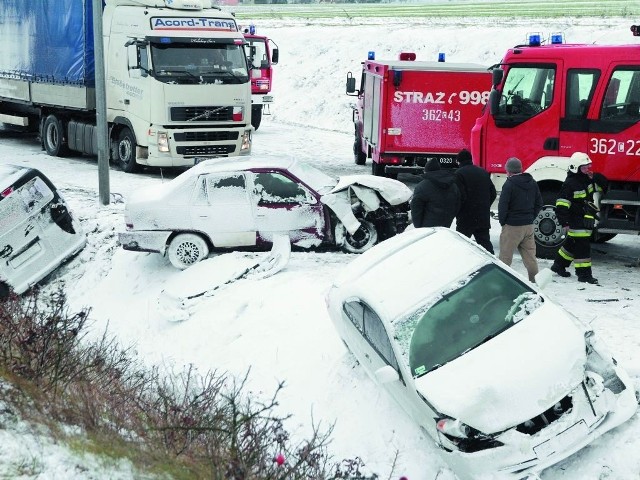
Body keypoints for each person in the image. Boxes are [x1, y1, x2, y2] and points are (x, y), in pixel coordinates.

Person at [550, 152, 603, 284]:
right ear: (576, 168)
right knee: (583, 247)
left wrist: (595, 177)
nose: (587, 170)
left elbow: (601, 186)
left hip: (584, 217)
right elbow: (561, 205)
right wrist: (564, 222)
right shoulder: (570, 184)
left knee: (573, 243)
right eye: (584, 167)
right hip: (575, 219)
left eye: (588, 167)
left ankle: (558, 266)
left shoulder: (586, 180)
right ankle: (584, 275)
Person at [497, 157, 543, 282]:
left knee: (505, 258)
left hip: (512, 226)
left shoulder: (509, 184)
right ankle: (535, 283)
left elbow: (502, 206)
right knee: (530, 258)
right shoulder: (532, 182)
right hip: (528, 226)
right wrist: (530, 217)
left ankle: (501, 283)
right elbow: (539, 203)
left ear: (509, 170)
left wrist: (504, 222)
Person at [454, 149, 497, 253]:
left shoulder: (459, 174)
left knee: (462, 244)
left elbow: (460, 196)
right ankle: (492, 263)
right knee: (485, 244)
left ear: (459, 161)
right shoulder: (482, 172)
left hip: (466, 217)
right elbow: (493, 193)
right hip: (482, 216)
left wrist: (458, 211)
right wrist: (484, 206)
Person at [411, 158, 461, 228]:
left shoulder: (422, 186)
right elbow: (457, 204)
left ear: (426, 171)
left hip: (427, 228)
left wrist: (418, 227)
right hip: (446, 226)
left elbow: (416, 209)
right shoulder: (452, 185)